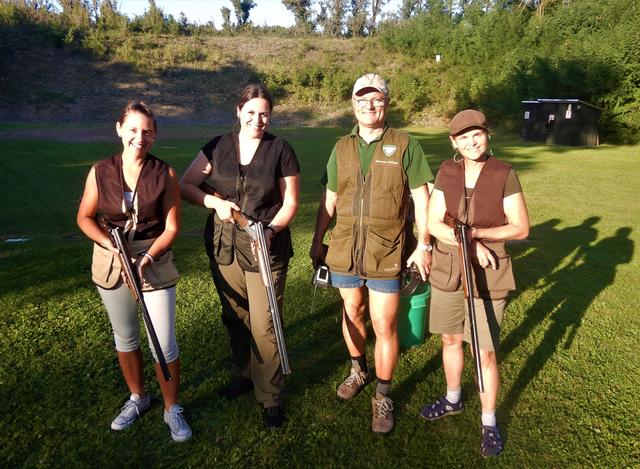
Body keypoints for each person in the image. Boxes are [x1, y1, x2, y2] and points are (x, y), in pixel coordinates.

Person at [310, 73, 434, 434]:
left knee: (384, 324)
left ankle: (382, 395)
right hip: (345, 248)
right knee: (352, 313)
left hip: (387, 252)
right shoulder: (341, 147)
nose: (369, 105)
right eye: (362, 99)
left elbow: (421, 197)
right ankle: (357, 370)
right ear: (353, 104)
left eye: (376, 99)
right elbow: (330, 197)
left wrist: (423, 244)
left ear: (387, 103)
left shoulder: (405, 143)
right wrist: (319, 239)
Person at [180, 84, 300, 429]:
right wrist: (214, 202)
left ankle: (271, 396)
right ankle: (246, 374)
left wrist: (271, 231)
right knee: (234, 316)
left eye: (264, 113)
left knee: (265, 323)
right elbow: (187, 184)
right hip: (224, 246)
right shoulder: (217, 146)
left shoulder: (281, 149)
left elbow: (290, 202)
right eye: (250, 112)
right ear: (238, 111)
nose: (257, 119)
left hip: (266, 247)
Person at [76, 101, 191, 442]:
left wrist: (147, 258)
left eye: (147, 131)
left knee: (164, 344)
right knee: (125, 336)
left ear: (154, 135)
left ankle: (172, 408)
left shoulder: (165, 173)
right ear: (119, 130)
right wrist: (112, 247)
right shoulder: (99, 171)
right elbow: (84, 217)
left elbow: (172, 228)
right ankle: (139, 397)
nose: (140, 137)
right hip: (111, 257)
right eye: (133, 130)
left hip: (152, 259)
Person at [420, 109, 530, 457]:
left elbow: (520, 227)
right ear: (453, 142)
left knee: (483, 350)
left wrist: (478, 235)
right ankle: (453, 398)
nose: (471, 141)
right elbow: (434, 223)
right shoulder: (447, 172)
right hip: (448, 270)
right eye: (463, 136)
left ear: (487, 134)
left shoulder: (504, 173)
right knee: (451, 338)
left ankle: (489, 420)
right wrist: (467, 241)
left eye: (477, 134)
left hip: (489, 273)